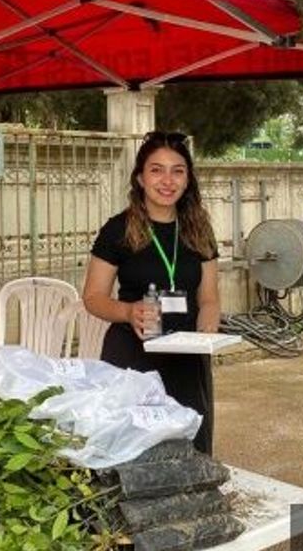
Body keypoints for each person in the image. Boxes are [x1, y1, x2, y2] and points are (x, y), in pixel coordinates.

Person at [82, 130, 222, 454]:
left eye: (178, 170)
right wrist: (129, 312)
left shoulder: (199, 229)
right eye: (156, 170)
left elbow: (209, 298)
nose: (167, 180)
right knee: (132, 452)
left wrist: (208, 334)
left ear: (188, 180)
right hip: (132, 358)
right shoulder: (118, 229)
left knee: (191, 451)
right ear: (141, 179)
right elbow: (93, 297)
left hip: (187, 362)